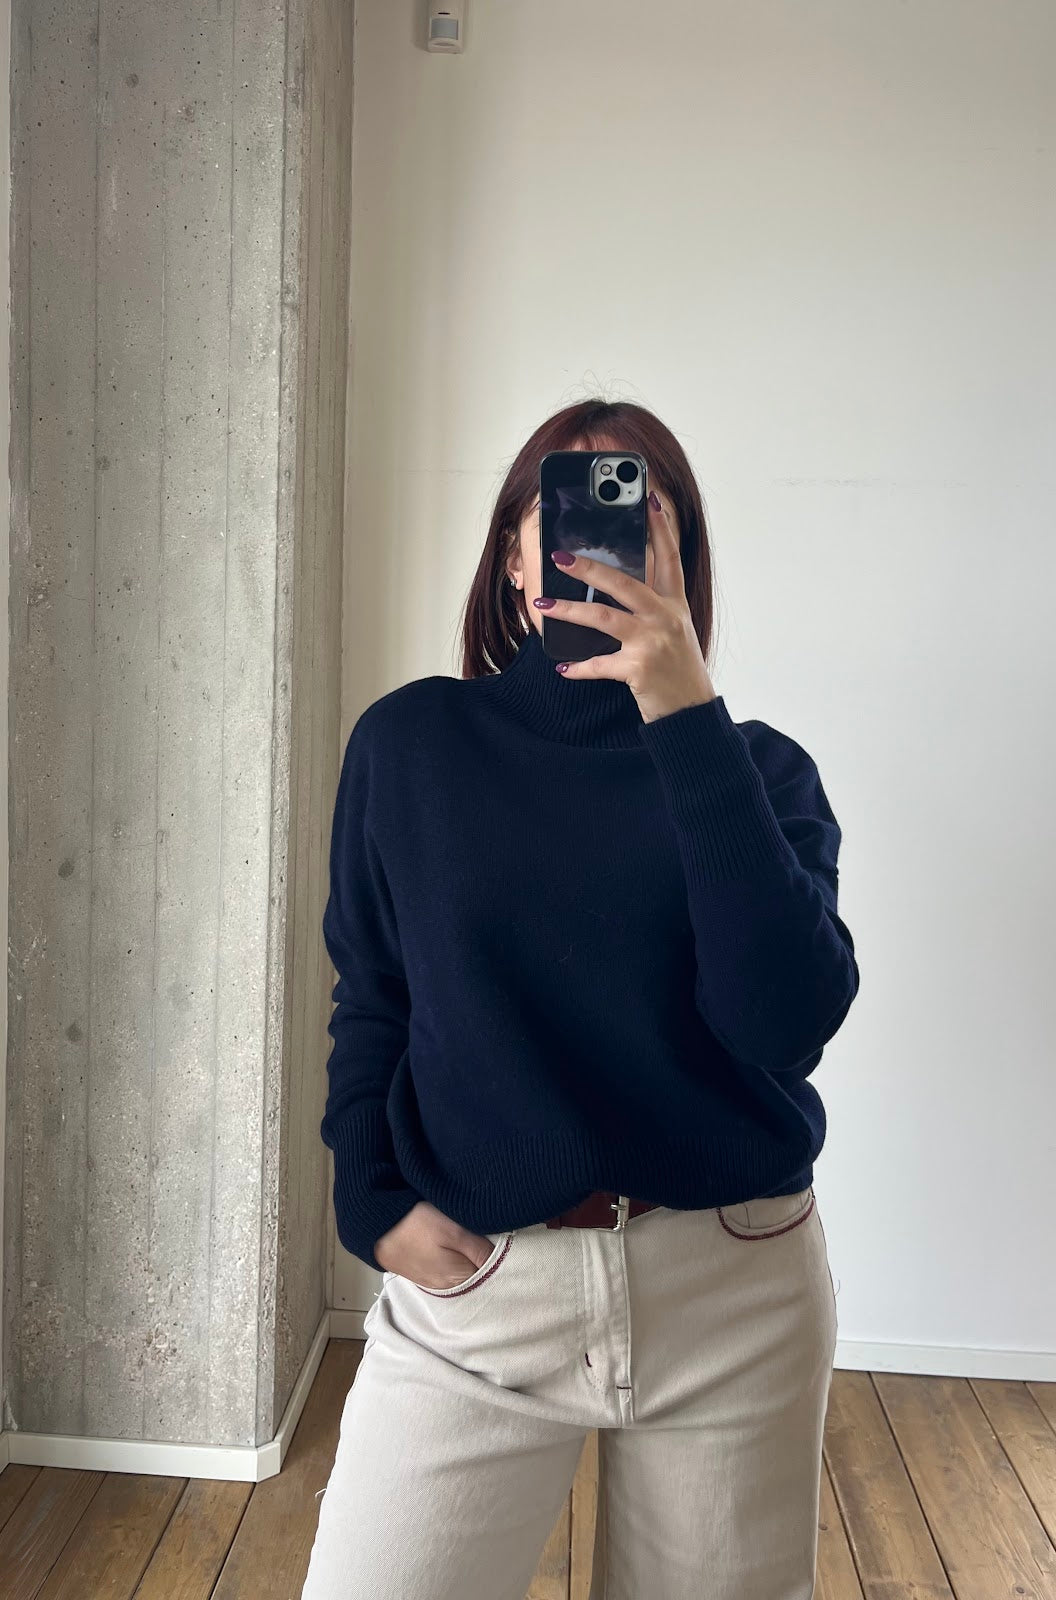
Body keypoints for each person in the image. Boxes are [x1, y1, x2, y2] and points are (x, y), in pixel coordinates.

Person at [301, 398, 859, 1600]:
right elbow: (374, 991)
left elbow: (783, 1024)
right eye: (562, 511)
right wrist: (368, 1191)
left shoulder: (760, 771)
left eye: (638, 516)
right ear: (512, 556)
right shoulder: (411, 745)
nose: (593, 539)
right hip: (480, 1296)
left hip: (734, 1295)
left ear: (680, 561)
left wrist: (685, 714)